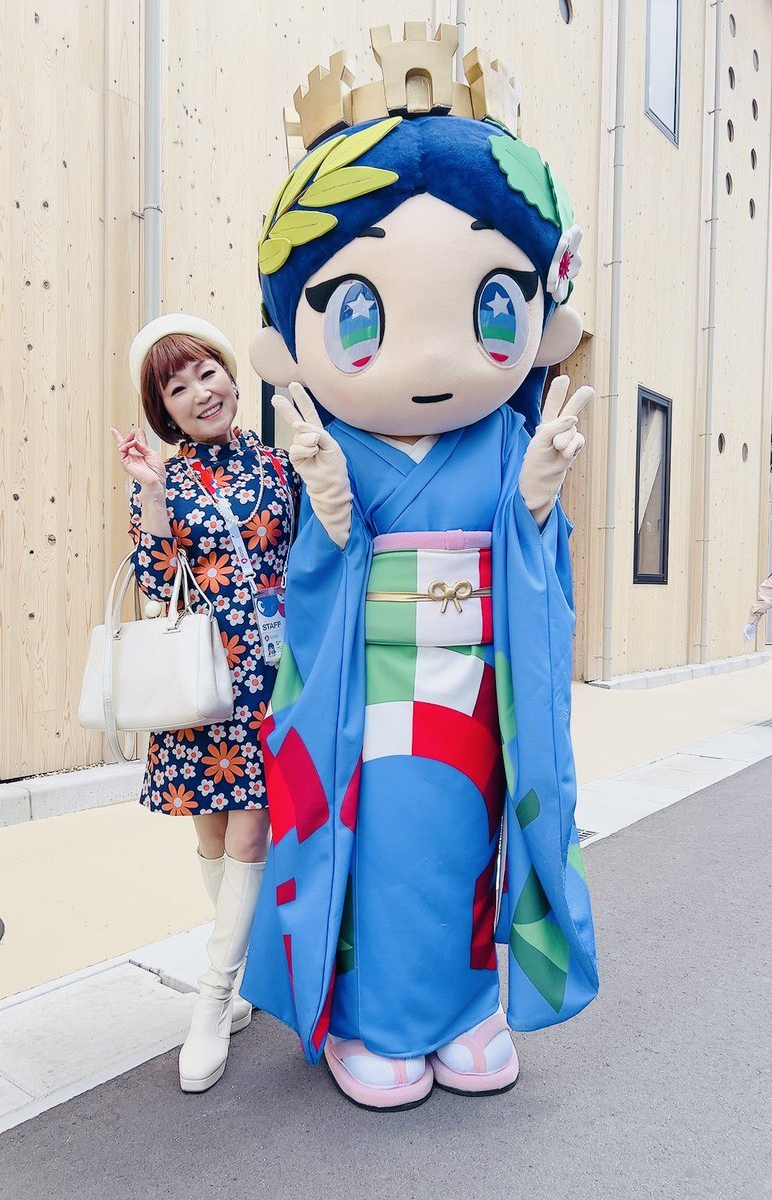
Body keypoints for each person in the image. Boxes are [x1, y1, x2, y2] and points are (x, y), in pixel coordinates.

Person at [241, 81, 599, 1108]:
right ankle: (374, 1020)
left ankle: (468, 1008)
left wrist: (531, 508)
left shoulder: (506, 439)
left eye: (489, 308)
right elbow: (313, 589)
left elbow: (536, 578)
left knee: (465, 843)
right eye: (357, 315)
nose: (433, 358)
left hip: (478, 690)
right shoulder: (338, 446)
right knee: (381, 849)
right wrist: (332, 521)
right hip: (369, 695)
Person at [112, 314, 298, 1093]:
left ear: (229, 372)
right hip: (203, 681)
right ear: (164, 410)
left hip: (272, 676)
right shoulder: (167, 479)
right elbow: (157, 583)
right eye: (176, 387)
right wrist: (152, 492)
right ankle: (241, 982)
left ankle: (213, 1000)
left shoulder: (280, 466)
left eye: (206, 373)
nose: (199, 393)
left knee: (252, 831)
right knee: (214, 832)